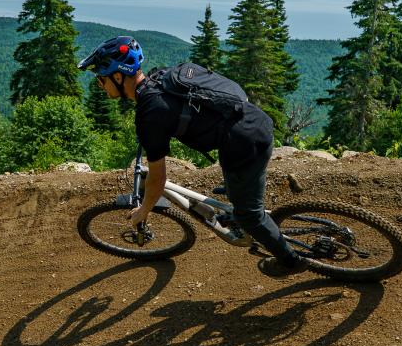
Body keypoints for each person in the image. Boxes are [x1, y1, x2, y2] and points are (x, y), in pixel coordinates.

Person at [79, 35, 302, 275]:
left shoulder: (151, 113)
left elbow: (158, 179)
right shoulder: (160, 77)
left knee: (250, 216)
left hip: (246, 141)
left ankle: (290, 262)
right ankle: (238, 196)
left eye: (101, 78)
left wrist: (144, 210)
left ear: (118, 76)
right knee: (237, 187)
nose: (100, 85)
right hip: (246, 125)